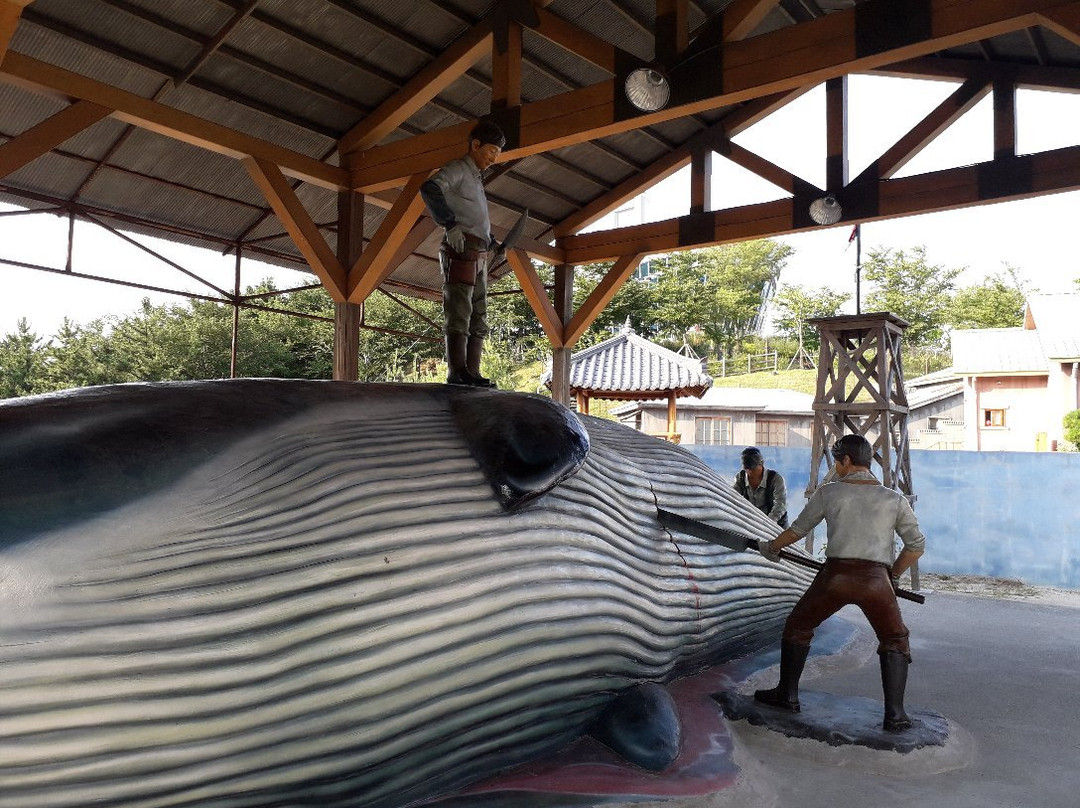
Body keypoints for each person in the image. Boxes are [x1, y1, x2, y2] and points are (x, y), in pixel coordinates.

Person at [753, 434, 925, 732]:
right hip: (876, 581)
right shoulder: (893, 499)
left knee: (799, 626)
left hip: (835, 577)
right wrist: (893, 576)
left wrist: (771, 547)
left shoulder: (829, 492)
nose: (836, 467)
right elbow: (916, 546)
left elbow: (797, 530)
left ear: (846, 460)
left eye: (837, 461)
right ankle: (895, 715)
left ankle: (787, 695)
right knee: (895, 638)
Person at [419, 120, 506, 387]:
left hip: (479, 252)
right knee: (460, 309)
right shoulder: (458, 168)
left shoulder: (476, 178)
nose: (494, 158)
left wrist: (491, 241)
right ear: (475, 144)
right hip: (460, 248)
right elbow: (429, 188)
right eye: (491, 151)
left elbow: (475, 216)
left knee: (478, 311)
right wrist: (449, 224)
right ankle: (457, 371)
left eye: (498, 154)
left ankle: (473, 372)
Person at [734, 447, 788, 527]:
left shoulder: (775, 479)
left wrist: (768, 523)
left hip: (776, 524)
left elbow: (780, 504)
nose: (750, 472)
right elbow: (734, 498)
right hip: (751, 524)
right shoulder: (740, 478)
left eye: (753, 468)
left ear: (761, 464)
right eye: (747, 469)